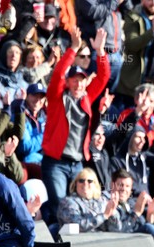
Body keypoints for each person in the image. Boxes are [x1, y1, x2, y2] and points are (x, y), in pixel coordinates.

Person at [41, 27, 109, 225]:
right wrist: (73, 49)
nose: (79, 85)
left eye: (81, 81)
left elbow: (104, 77)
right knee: (61, 207)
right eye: (74, 81)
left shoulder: (87, 98)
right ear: (68, 82)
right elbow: (58, 74)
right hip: (56, 163)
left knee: (77, 207)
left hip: (77, 163)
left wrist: (101, 51)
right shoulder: (56, 98)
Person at [104, 168, 154, 241]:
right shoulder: (107, 203)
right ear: (112, 185)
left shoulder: (132, 203)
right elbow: (119, 232)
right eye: (121, 185)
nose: (124, 189)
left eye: (127, 186)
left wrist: (150, 214)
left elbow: (145, 228)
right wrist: (136, 214)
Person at [57, 167, 112, 232]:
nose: (85, 184)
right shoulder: (67, 202)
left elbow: (115, 229)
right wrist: (104, 216)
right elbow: (78, 226)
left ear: (95, 184)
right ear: (75, 184)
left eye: (90, 181)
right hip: (78, 240)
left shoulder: (103, 201)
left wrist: (113, 214)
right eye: (81, 181)